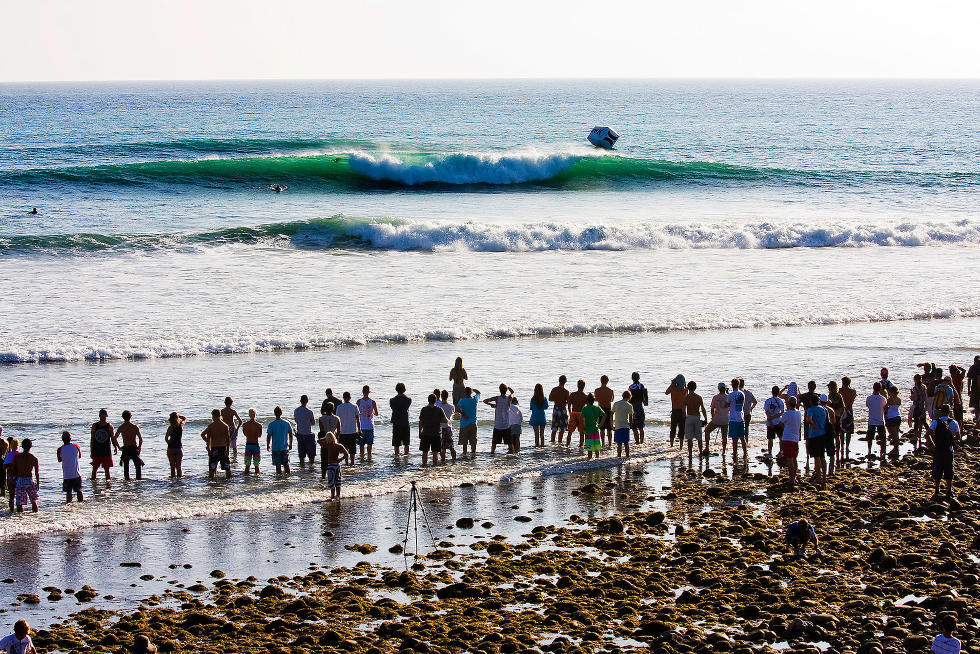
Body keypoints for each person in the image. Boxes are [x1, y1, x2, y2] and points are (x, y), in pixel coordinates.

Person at [925, 404, 960, 499]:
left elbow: (927, 434)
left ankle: (937, 489)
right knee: (949, 469)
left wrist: (932, 445)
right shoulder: (953, 422)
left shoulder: (936, 422)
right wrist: (951, 440)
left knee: (937, 469)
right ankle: (949, 490)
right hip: (949, 450)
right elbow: (958, 437)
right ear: (949, 412)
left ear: (941, 411)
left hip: (938, 449)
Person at [776, 397, 802, 487]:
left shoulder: (787, 414)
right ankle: (794, 477)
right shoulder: (799, 413)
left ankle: (791, 479)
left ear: (788, 404)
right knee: (794, 459)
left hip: (787, 437)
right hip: (795, 438)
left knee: (789, 459)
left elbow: (780, 424)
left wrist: (786, 427)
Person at [805, 395, 829, 487]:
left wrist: (813, 424)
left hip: (814, 435)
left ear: (811, 402)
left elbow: (808, 419)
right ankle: (824, 477)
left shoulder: (811, 409)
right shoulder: (823, 409)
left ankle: (818, 478)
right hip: (823, 433)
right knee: (822, 455)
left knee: (816, 456)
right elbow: (827, 420)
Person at [201, 409, 231, 479]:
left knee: (212, 470)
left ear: (213, 416)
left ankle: (212, 485)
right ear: (220, 415)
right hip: (223, 448)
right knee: (227, 469)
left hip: (214, 448)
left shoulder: (211, 426)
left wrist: (208, 446)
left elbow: (203, 435)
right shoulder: (225, 426)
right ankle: (229, 483)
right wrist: (228, 450)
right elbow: (228, 440)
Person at [419, 393, 448, 465]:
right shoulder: (439, 409)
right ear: (435, 401)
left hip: (425, 433)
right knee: (435, 453)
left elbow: (421, 422)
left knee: (424, 452)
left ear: (428, 400)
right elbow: (445, 420)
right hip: (436, 433)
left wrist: (420, 432)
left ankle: (424, 466)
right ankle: (434, 468)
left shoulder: (424, 409)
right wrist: (438, 419)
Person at [11, 439, 39, 513]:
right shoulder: (34, 458)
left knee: (19, 503)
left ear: (22, 446)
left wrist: (13, 480)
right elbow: (37, 473)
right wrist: (38, 483)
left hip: (20, 480)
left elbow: (13, 470)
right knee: (33, 501)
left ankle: (20, 519)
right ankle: (35, 516)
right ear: (31, 446)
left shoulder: (17, 457)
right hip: (29, 480)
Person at [318, 432, 349, 499]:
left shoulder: (328, 445)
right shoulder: (339, 446)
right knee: (338, 482)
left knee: (331, 482)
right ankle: (338, 496)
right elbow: (346, 454)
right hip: (337, 465)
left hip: (331, 466)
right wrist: (340, 459)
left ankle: (332, 496)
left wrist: (324, 438)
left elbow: (318, 441)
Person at [484, 384, 514, 455]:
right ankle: (511, 456)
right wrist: (508, 388)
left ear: (499, 390)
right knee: (509, 443)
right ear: (506, 390)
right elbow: (513, 393)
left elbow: (485, 401)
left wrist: (492, 405)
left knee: (494, 443)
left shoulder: (497, 398)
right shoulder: (509, 398)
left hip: (498, 424)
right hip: (506, 424)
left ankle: (492, 454)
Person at [90, 409, 117, 481]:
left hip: (103, 450)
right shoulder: (95, 425)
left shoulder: (108, 426)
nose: (103, 417)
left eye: (103, 415)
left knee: (100, 470)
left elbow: (112, 438)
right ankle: (107, 486)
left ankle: (96, 486)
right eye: (102, 415)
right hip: (100, 450)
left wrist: (115, 447)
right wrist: (91, 451)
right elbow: (92, 439)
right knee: (98, 469)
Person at [116, 410, 144, 481]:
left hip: (126, 448)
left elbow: (114, 438)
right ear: (130, 417)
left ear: (122, 417)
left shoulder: (121, 427)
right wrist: (139, 447)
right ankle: (138, 481)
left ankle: (126, 482)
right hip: (134, 448)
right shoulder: (135, 427)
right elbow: (140, 439)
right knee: (138, 466)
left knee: (126, 467)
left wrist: (119, 447)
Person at [703, 383, 729, 457]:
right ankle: (723, 451)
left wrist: (712, 417)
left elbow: (712, 409)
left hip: (716, 419)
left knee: (707, 431)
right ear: (725, 388)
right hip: (725, 419)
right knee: (724, 436)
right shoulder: (728, 397)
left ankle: (707, 447)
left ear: (718, 389)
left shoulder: (715, 397)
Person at [266, 405, 293, 475]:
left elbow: (269, 436)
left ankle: (279, 480)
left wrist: (267, 445)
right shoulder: (286, 423)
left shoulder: (271, 424)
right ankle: (287, 479)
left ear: (274, 413)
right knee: (286, 464)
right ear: (281, 413)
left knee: (278, 466)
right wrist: (290, 443)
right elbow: (290, 433)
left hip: (275, 448)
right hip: (284, 447)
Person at [57, 431, 83, 503]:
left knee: (68, 493)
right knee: (79, 491)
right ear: (70, 438)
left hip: (67, 475)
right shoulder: (76, 446)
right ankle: (81, 505)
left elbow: (59, 460)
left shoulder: (60, 449)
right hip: (76, 474)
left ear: (62, 439)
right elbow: (79, 456)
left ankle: (68, 507)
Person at [683, 381, 706, 460]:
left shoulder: (686, 397)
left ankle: (690, 454)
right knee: (699, 437)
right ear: (695, 388)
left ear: (688, 388)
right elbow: (703, 409)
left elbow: (683, 410)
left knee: (689, 438)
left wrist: (684, 418)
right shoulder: (699, 397)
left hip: (689, 417)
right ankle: (700, 452)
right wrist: (706, 418)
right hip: (697, 417)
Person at [727, 378, 748, 463]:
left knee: (734, 438)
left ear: (732, 385)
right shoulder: (742, 394)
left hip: (733, 418)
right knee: (742, 437)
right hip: (740, 417)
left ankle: (735, 453)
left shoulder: (730, 395)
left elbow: (727, 404)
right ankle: (745, 452)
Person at [293, 395, 317, 467]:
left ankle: (302, 471)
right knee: (311, 457)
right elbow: (313, 423)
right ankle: (311, 471)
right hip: (308, 435)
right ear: (307, 401)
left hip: (300, 434)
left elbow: (296, 420)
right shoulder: (309, 412)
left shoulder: (296, 411)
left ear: (300, 401)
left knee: (301, 457)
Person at [456, 387, 481, 455]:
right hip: (473, 423)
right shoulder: (475, 399)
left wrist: (463, 413)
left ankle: (464, 456)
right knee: (473, 442)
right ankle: (473, 456)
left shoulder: (462, 400)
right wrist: (473, 389)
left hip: (464, 424)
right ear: (471, 392)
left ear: (464, 392)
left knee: (464, 443)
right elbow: (478, 392)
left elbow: (457, 408)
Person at [389, 383, 412, 456]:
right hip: (405, 421)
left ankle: (397, 457)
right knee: (406, 443)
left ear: (396, 389)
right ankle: (406, 456)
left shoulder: (392, 400)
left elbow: (393, 408)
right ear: (404, 390)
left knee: (396, 443)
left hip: (396, 422)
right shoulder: (408, 400)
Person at [763, 386, 785, 460]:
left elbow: (766, 411)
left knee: (770, 439)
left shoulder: (768, 401)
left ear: (772, 392)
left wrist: (770, 419)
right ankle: (781, 452)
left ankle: (770, 453)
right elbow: (782, 412)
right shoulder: (780, 401)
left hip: (770, 422)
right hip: (778, 421)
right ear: (778, 392)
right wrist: (775, 416)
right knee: (780, 438)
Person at [866, 382, 887, 458]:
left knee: (870, 437)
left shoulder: (869, 398)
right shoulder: (883, 399)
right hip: (880, 419)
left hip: (871, 420)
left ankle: (869, 450)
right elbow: (884, 407)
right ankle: (883, 451)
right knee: (883, 437)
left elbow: (868, 406)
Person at [666, 374, 687, 449]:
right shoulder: (685, 390)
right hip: (682, 411)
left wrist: (672, 384)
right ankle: (681, 446)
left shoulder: (673, 388)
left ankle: (671, 445)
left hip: (674, 411)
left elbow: (666, 392)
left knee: (673, 428)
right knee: (682, 429)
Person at [357, 386, 379, 458]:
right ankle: (369, 459)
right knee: (369, 445)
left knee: (361, 446)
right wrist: (371, 411)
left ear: (362, 391)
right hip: (370, 425)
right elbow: (376, 413)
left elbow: (356, 414)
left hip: (361, 426)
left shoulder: (359, 401)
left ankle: (362, 459)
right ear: (369, 392)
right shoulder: (372, 402)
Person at [594, 375, 615, 447]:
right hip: (608, 409)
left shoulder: (597, 390)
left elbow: (596, 399)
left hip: (600, 409)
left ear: (601, 381)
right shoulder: (611, 391)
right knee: (609, 429)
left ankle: (602, 443)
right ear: (607, 381)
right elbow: (612, 400)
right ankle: (609, 444)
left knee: (601, 428)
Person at [627, 372, 649, 444]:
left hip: (633, 408)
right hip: (640, 407)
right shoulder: (641, 386)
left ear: (632, 378)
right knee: (641, 427)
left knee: (634, 427)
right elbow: (645, 402)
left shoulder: (630, 387)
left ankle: (637, 442)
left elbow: (628, 400)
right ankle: (642, 442)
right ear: (639, 378)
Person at [566, 380, 589, 448]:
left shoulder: (573, 394)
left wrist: (570, 413)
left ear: (577, 385)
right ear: (584, 386)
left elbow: (569, 405)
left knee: (570, 432)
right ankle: (581, 446)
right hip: (581, 414)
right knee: (582, 433)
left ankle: (567, 445)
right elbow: (587, 407)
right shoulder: (585, 396)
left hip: (574, 413)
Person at [581, 394, 604, 460]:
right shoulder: (597, 408)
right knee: (596, 446)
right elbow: (604, 415)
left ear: (587, 401)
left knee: (589, 447)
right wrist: (601, 424)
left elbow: (583, 419)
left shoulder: (585, 409)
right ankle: (597, 458)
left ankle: (589, 458)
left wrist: (584, 426)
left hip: (588, 430)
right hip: (596, 429)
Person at [612, 390, 634, 458]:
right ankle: (627, 456)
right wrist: (631, 425)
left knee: (619, 444)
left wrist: (611, 424)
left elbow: (611, 414)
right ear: (629, 397)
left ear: (622, 396)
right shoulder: (629, 405)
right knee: (626, 443)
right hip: (625, 425)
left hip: (618, 425)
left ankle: (619, 456)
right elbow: (630, 418)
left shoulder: (616, 403)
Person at [548, 376, 570, 445]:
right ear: (565, 382)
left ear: (559, 381)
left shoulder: (554, 389)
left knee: (554, 428)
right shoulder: (566, 392)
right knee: (562, 429)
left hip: (556, 409)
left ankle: (552, 442)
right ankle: (559, 443)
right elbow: (568, 402)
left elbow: (550, 399)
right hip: (562, 410)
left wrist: (556, 398)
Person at [909, 374, 928, 451]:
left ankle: (916, 436)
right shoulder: (924, 387)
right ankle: (921, 434)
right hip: (922, 406)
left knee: (916, 422)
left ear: (915, 380)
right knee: (923, 421)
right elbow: (926, 398)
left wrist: (911, 396)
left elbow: (915, 398)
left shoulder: (915, 388)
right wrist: (926, 406)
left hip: (917, 407)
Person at [164, 412, 186, 478]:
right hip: (179, 448)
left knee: (172, 467)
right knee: (179, 467)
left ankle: (173, 482)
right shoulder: (180, 426)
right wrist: (179, 416)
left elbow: (166, 438)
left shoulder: (170, 428)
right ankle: (179, 482)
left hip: (171, 448)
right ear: (177, 418)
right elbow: (184, 418)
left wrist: (169, 443)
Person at [241, 409, 262, 474]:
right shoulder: (259, 425)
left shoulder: (245, 424)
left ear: (249, 415)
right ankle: (257, 480)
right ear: (255, 415)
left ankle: (246, 481)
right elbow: (259, 435)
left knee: (247, 465)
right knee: (257, 465)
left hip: (248, 445)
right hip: (256, 445)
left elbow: (245, 434)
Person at [438, 389, 457, 462]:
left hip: (441, 428)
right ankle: (454, 460)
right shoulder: (451, 406)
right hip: (448, 427)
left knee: (442, 447)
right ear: (447, 396)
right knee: (451, 446)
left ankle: (443, 461)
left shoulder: (438, 406)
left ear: (441, 396)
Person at [840, 376, 857, 454]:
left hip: (842, 411)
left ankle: (842, 446)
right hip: (849, 410)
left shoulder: (839, 391)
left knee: (842, 430)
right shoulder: (853, 391)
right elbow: (851, 401)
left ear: (843, 382)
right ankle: (847, 446)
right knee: (849, 430)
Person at [529, 384, 549, 448]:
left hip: (534, 417)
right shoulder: (544, 398)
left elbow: (531, 408)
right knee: (542, 434)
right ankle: (542, 446)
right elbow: (546, 407)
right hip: (542, 417)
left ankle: (537, 445)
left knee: (536, 433)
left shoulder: (532, 399)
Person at [885, 386, 902, 458]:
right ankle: (896, 448)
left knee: (893, 434)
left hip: (891, 417)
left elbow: (885, 408)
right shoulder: (899, 399)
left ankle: (895, 449)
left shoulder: (889, 400)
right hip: (898, 416)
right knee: (896, 434)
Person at [4, 438, 17, 508]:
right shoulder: (19, 455)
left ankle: (11, 512)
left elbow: (4, 467)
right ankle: (19, 514)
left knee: (11, 497)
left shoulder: (9, 455)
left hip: (10, 477)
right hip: (18, 477)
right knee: (18, 497)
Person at [967, 355, 980, 421]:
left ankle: (977, 418)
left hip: (975, 388)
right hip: (976, 388)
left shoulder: (973, 367)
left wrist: (969, 389)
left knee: (976, 404)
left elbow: (969, 379)